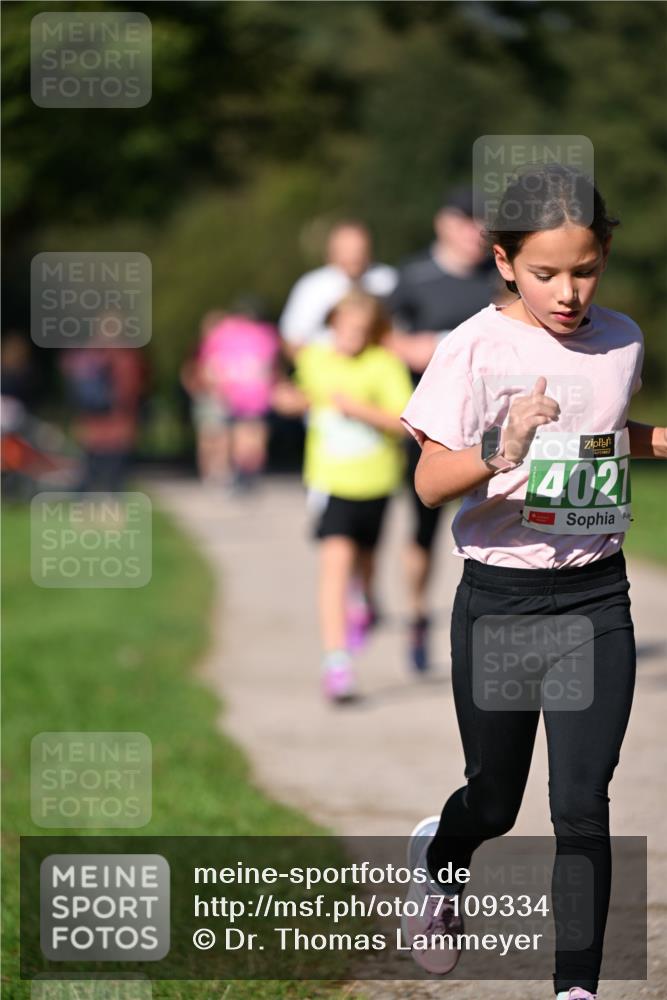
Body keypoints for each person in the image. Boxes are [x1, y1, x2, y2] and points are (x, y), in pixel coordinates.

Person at [399, 165, 665, 1000]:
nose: (567, 292)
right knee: (494, 802)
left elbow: (601, 430)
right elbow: (428, 482)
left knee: (581, 805)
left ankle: (574, 987)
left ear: (604, 254)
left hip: (595, 597)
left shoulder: (620, 339)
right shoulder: (473, 347)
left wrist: (659, 440)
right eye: (544, 272)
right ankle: (439, 858)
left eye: (583, 270)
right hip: (500, 602)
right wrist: (501, 448)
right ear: (504, 261)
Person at [273, 290, 413, 702]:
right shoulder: (315, 359)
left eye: (361, 330)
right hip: (330, 482)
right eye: (345, 328)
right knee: (335, 565)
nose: (351, 336)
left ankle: (365, 601)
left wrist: (358, 410)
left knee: (365, 564)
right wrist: (287, 400)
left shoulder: (384, 365)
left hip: (376, 483)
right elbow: (297, 395)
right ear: (332, 325)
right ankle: (336, 665)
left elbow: (405, 422)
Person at [386, 187, 503, 671]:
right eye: (466, 221)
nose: (475, 232)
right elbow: (383, 336)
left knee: (498, 517)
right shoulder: (412, 277)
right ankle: (417, 613)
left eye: (482, 223)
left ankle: (494, 622)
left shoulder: (499, 275)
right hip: (429, 426)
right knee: (424, 527)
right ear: (443, 223)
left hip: (491, 423)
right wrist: (422, 349)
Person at [184, 305, 280, 490]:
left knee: (235, 438)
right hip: (237, 396)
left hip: (236, 395)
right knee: (226, 437)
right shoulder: (263, 336)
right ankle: (232, 473)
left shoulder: (228, 337)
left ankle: (238, 473)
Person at [278, 221, 397, 355]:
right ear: (331, 253)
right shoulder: (313, 286)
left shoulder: (386, 280)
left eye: (359, 250)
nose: (354, 256)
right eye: (347, 250)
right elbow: (292, 339)